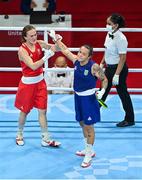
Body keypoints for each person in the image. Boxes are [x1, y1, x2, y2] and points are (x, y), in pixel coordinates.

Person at [48, 31, 108, 168]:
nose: (80, 55)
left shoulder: (94, 67)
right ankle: (88, 149)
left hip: (89, 100)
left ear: (89, 56)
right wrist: (55, 38)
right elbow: (64, 49)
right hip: (78, 98)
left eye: (83, 54)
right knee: (81, 123)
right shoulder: (76, 61)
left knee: (89, 127)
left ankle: (88, 154)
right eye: (79, 52)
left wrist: (102, 91)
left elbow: (104, 79)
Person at [15, 25, 61, 147]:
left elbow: (56, 49)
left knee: (43, 111)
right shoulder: (22, 50)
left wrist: (57, 40)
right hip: (28, 85)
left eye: (35, 34)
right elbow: (33, 66)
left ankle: (45, 138)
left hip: (40, 83)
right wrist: (47, 56)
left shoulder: (39, 43)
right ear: (25, 37)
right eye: (31, 35)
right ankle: (19, 134)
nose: (34, 37)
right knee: (24, 111)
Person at [99, 13, 135, 127]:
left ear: (116, 25)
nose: (107, 25)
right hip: (109, 68)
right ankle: (93, 114)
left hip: (118, 69)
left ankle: (129, 119)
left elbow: (123, 57)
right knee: (102, 91)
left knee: (123, 93)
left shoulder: (121, 38)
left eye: (109, 23)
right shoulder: (109, 34)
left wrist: (117, 75)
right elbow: (107, 50)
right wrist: (101, 62)